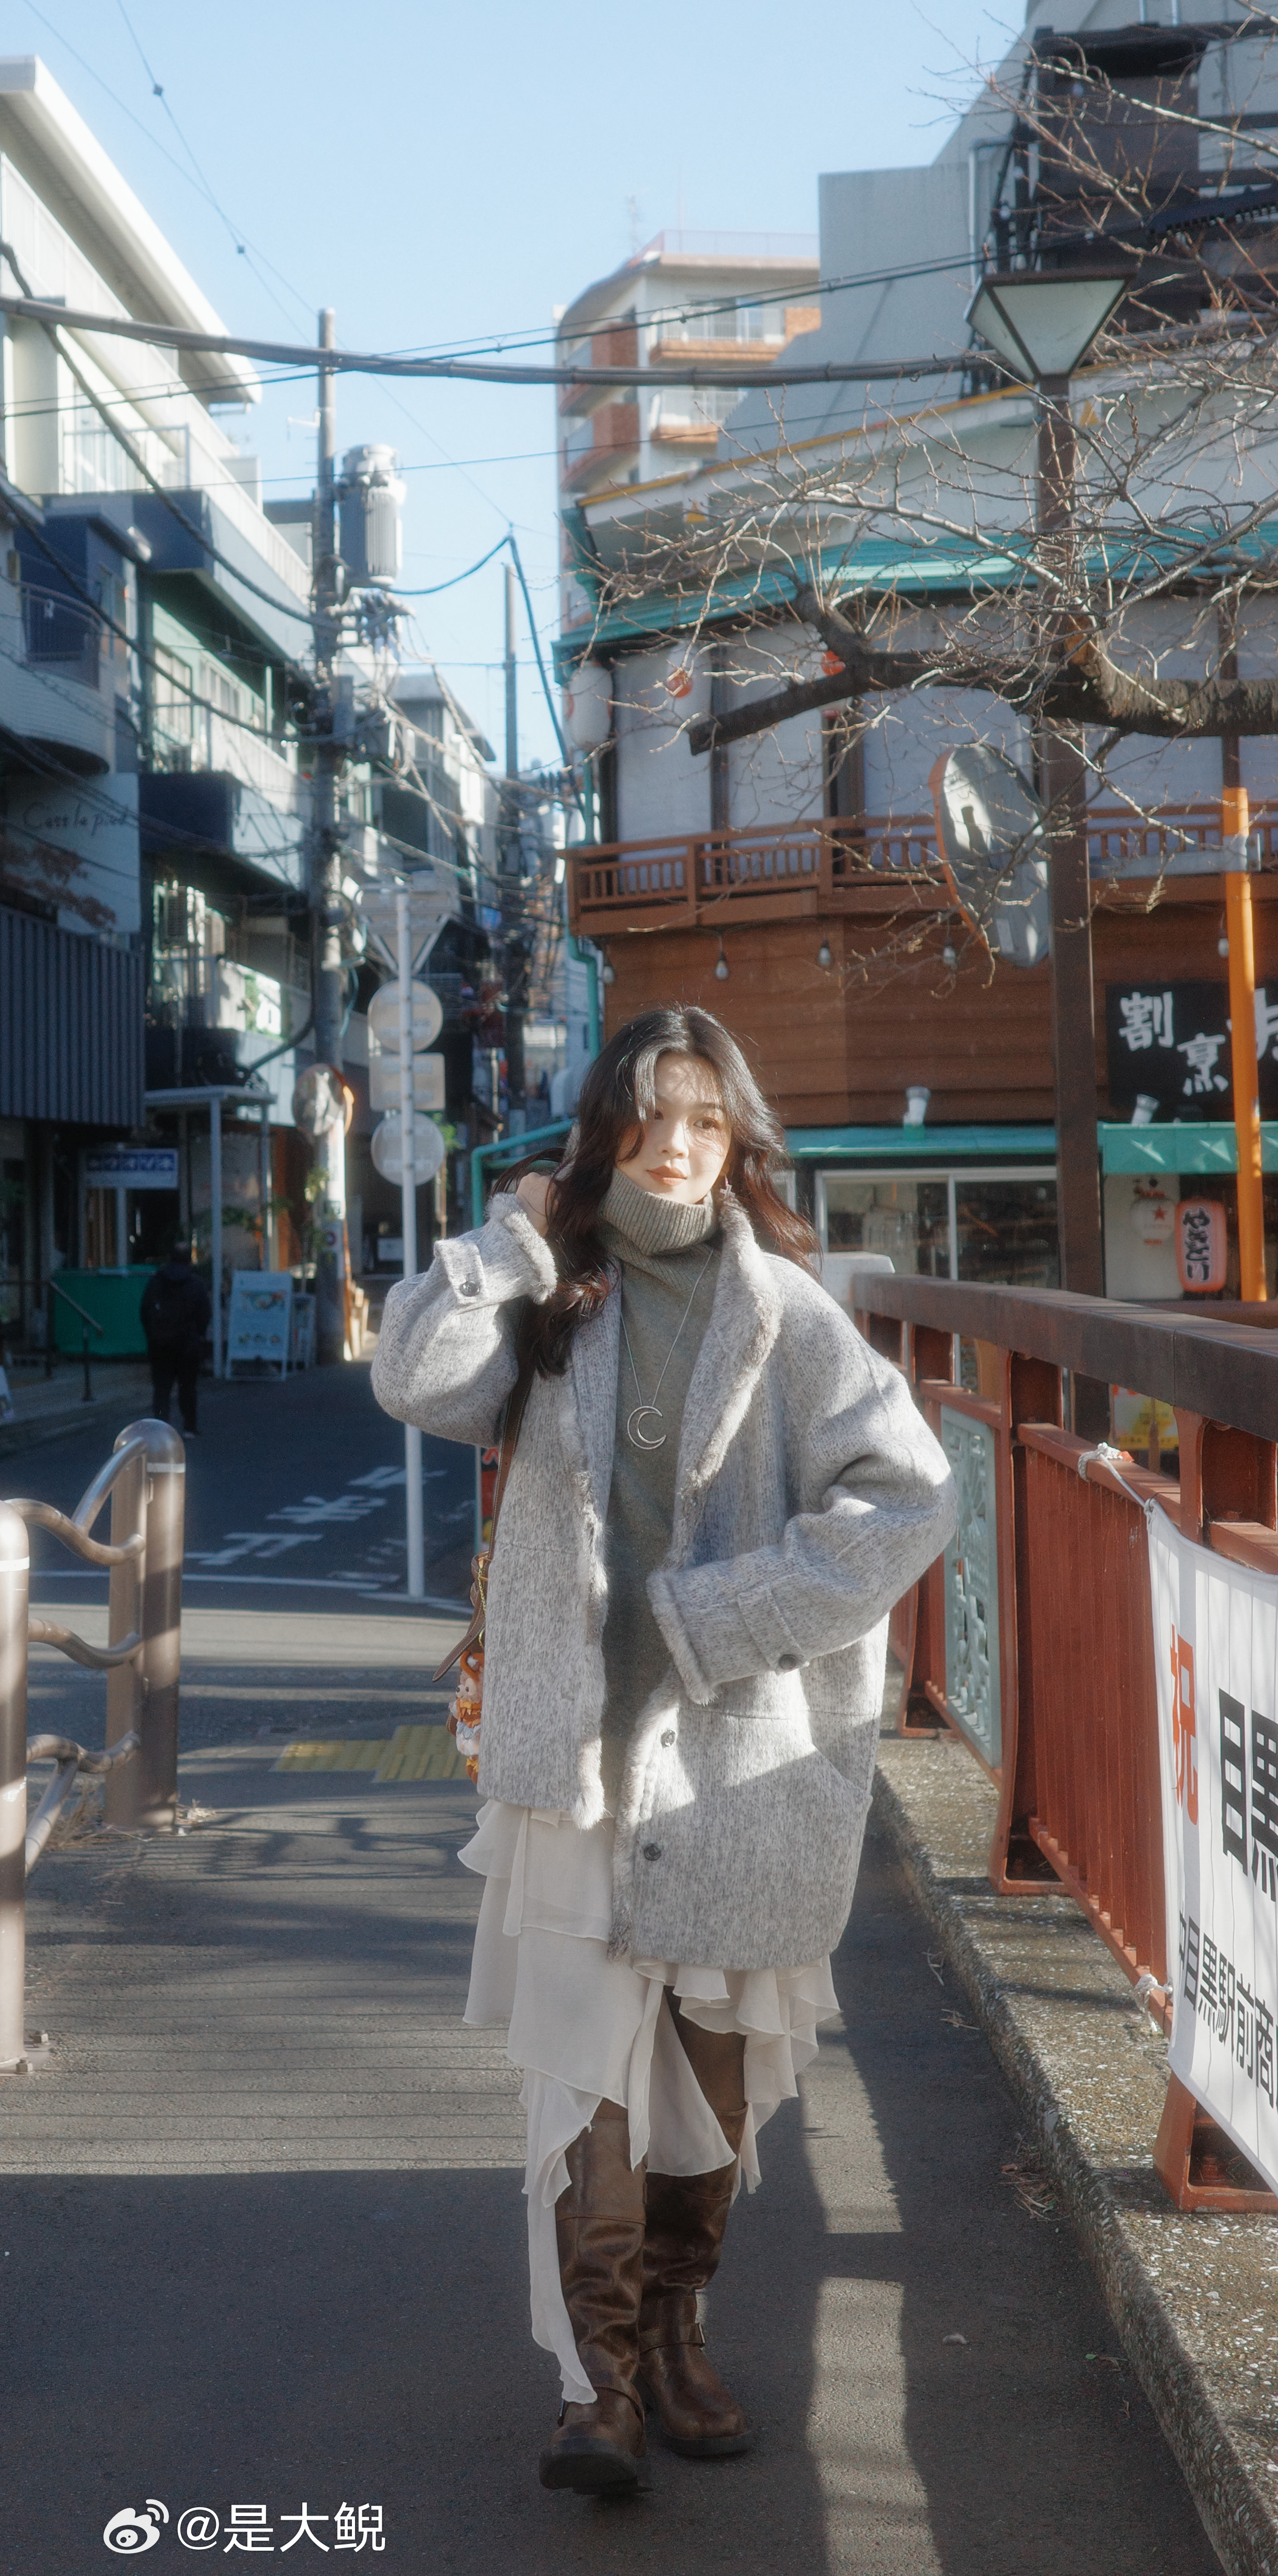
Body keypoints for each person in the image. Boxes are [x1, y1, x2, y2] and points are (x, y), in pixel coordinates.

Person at [372, 1006, 953, 2500]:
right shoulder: (553, 1294)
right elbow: (413, 1377)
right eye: (649, 1116)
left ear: (738, 1138)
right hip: (574, 1757)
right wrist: (505, 1245)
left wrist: (725, 1614)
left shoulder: (793, 1315)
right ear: (605, 1130)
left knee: (714, 2074)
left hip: (740, 1755)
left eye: (705, 1119)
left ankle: (682, 2334)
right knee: (586, 2082)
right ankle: (602, 2382)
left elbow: (911, 1499)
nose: (678, 1146)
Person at [140, 1238, 212, 1435]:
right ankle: (189, 1426)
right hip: (188, 1345)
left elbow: (145, 1312)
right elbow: (205, 1314)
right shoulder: (195, 1284)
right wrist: (198, 1335)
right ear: (189, 1260)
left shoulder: (156, 1282)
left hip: (160, 1344)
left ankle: (161, 1429)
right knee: (187, 1387)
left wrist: (152, 1336)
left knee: (162, 1389)